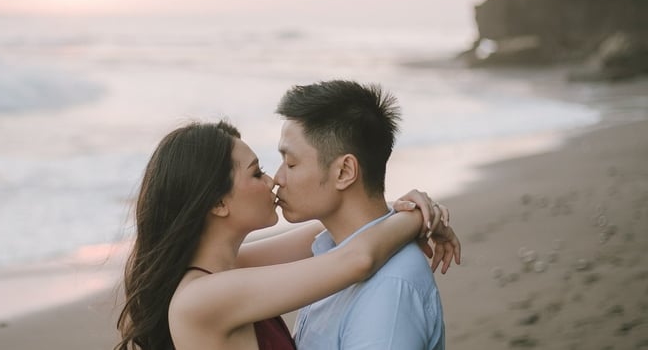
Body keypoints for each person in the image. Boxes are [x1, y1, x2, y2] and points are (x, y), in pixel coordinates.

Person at [115, 120, 459, 350]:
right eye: (257, 173)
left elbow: (334, 227)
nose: (273, 181)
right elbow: (358, 258)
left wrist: (410, 207)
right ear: (218, 203)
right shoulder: (202, 298)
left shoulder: (228, 267)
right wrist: (418, 218)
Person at [274, 79, 459, 349]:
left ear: (344, 172)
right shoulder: (329, 252)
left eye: (291, 163)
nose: (277, 178)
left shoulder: (390, 290)